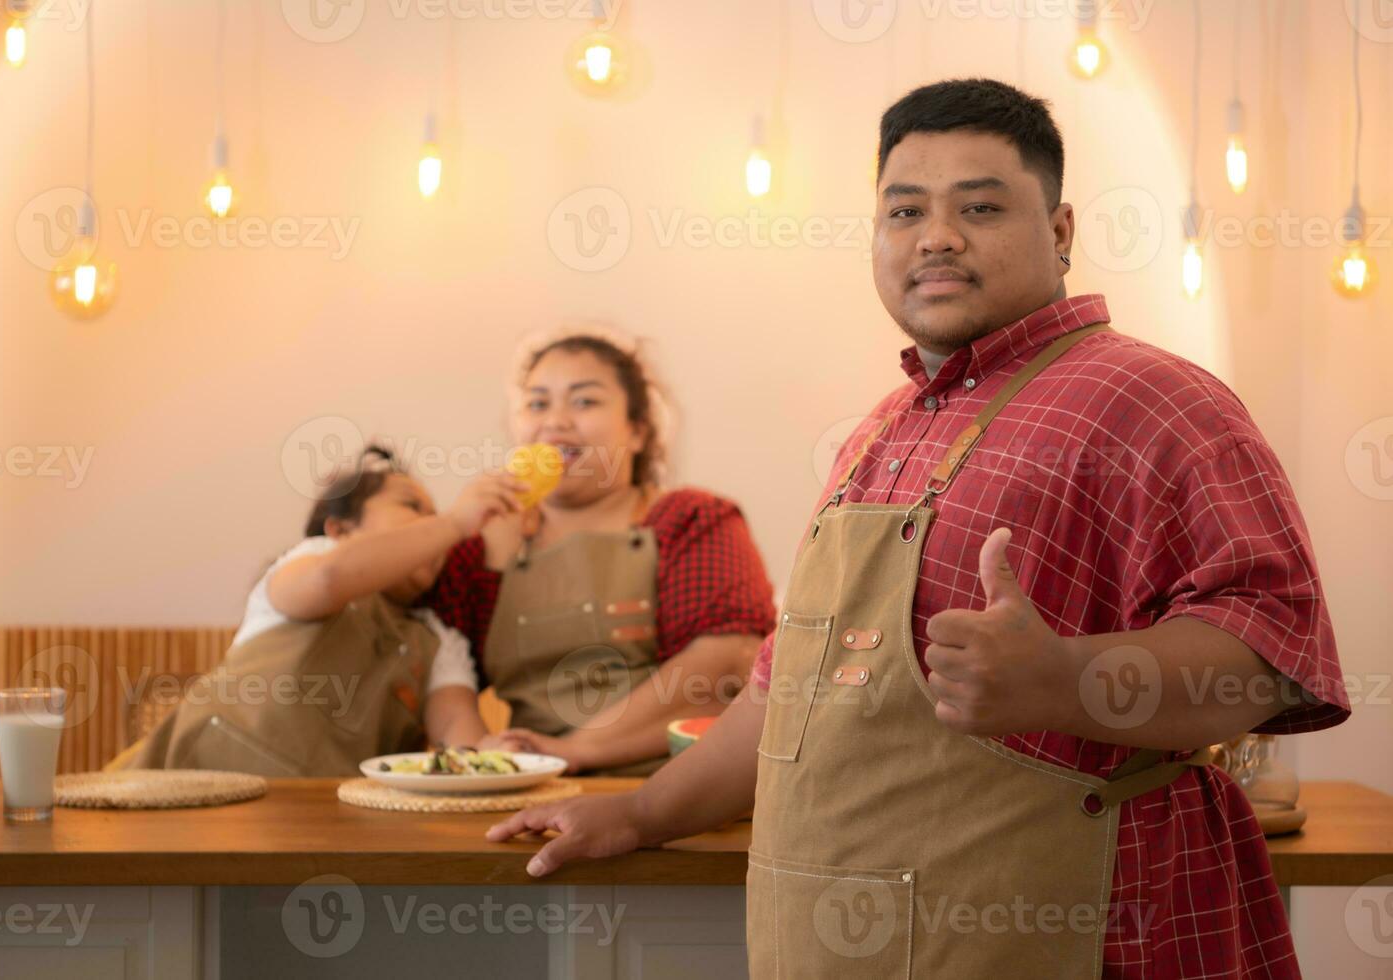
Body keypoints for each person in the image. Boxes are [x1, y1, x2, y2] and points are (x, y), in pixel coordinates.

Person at [486, 79, 1349, 978]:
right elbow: (783, 701)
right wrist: (636, 814)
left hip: (1080, 938)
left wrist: (1069, 680)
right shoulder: (877, 432)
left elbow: (1271, 655)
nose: (936, 234)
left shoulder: (1156, 400)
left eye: (980, 206)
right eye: (905, 210)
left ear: (1059, 234)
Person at [428, 330, 777, 776]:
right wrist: (483, 762)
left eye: (584, 401)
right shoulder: (480, 547)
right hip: (528, 785)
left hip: (671, 788)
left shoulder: (691, 519)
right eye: (537, 404)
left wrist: (573, 752)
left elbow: (724, 668)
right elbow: (445, 676)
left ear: (636, 431)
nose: (555, 421)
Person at [120, 447, 527, 775]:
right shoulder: (314, 557)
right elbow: (328, 579)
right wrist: (455, 523)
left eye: (435, 517)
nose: (431, 528)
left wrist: (488, 750)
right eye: (413, 507)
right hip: (181, 783)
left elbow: (456, 723)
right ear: (340, 529)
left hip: (312, 826)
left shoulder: (441, 639)